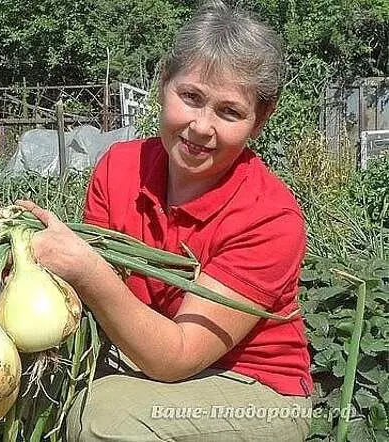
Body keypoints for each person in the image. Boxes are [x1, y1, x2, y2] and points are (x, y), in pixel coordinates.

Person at [17, 1, 313, 440]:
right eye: (190, 97)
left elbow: (175, 356)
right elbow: (95, 302)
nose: (201, 127)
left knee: (106, 417)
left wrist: (85, 268)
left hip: (255, 390)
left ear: (260, 120)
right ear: (163, 84)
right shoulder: (119, 167)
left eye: (229, 112)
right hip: (148, 358)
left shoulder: (270, 218)